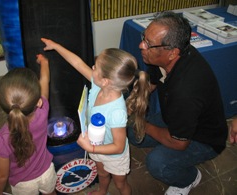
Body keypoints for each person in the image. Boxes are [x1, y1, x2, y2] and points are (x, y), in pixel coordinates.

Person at [127, 11, 228, 195]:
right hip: (175, 117)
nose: (141, 45)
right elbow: (152, 83)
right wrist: (132, 100)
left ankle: (189, 178)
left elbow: (179, 143)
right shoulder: (159, 56)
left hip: (204, 138)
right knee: (132, 132)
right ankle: (167, 147)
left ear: (172, 53)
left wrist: (145, 125)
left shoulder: (186, 91)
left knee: (158, 163)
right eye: (144, 38)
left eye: (148, 44)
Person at [41, 38, 151, 195]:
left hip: (114, 155)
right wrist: (56, 46)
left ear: (106, 81)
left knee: (120, 184)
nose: (92, 68)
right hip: (95, 144)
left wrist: (91, 148)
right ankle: (102, 191)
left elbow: (118, 146)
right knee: (102, 173)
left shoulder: (116, 112)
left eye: (95, 67)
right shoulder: (98, 83)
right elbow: (78, 64)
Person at [0, 54, 57, 195]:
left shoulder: (0, 141)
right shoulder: (43, 110)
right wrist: (44, 62)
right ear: (38, 102)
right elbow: (45, 80)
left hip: (23, 185)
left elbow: (2, 176)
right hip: (47, 171)